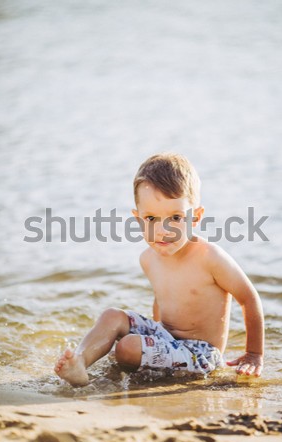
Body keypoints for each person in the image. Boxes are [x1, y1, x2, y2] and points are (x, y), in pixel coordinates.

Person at [54, 153, 264, 386]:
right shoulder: (148, 258)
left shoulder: (209, 257)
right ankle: (80, 363)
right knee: (112, 315)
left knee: (126, 348)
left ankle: (133, 359)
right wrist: (152, 339)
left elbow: (249, 298)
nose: (163, 230)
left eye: (175, 217)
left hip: (201, 353)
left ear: (195, 218)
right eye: (151, 218)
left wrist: (254, 354)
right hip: (167, 338)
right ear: (138, 220)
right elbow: (160, 300)